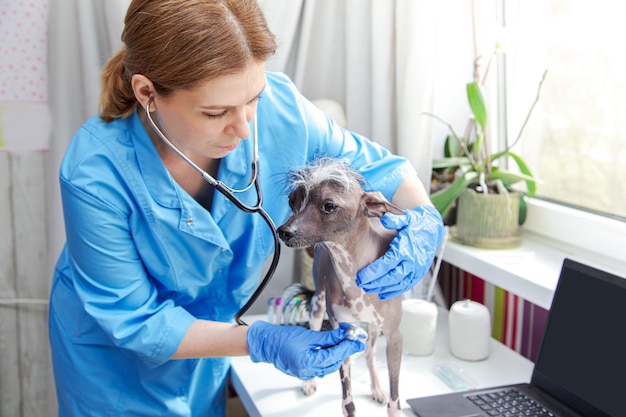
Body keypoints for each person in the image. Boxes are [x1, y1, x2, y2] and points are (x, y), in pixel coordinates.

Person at [48, 0, 445, 416]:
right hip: (112, 367)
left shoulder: (282, 109)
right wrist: (260, 339)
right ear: (148, 93)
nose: (243, 126)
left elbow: (381, 168)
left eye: (252, 98)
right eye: (215, 112)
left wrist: (425, 220)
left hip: (208, 350)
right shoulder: (94, 172)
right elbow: (135, 320)